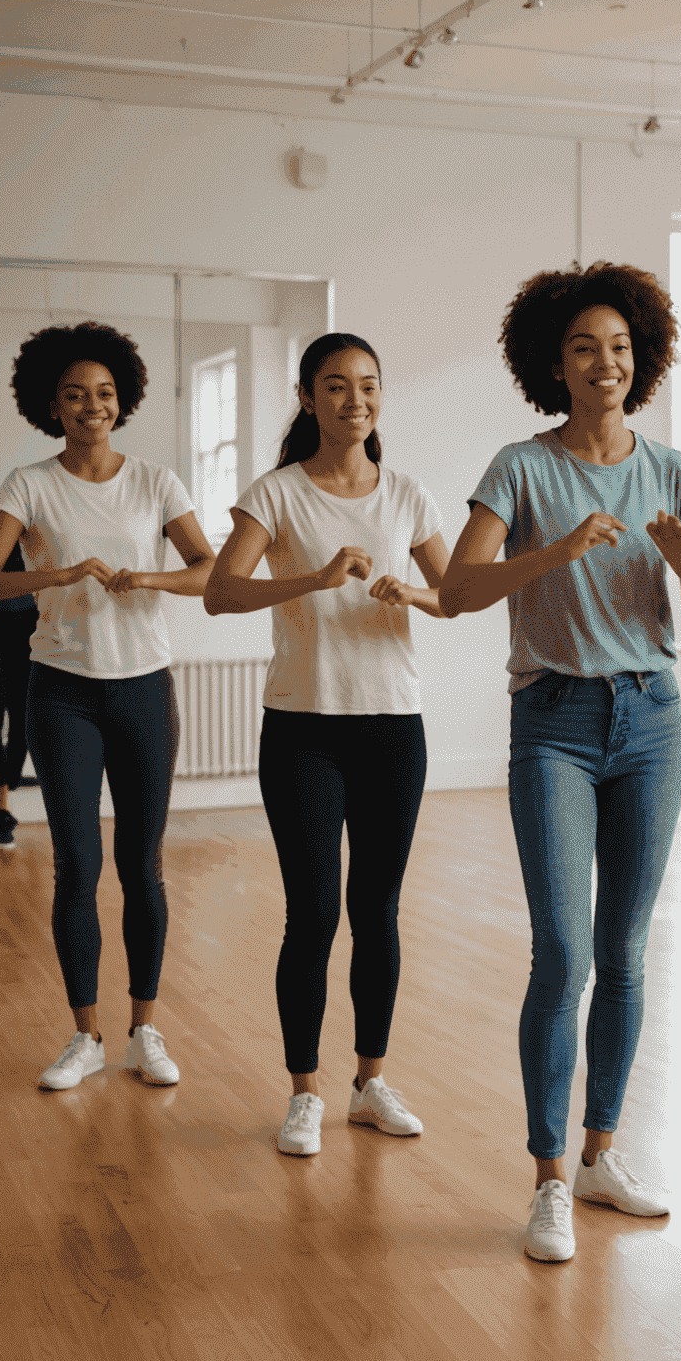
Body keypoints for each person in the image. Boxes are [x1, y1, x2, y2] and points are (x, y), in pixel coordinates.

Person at [440, 261, 681, 1262]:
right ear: (551, 365)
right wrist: (549, 555)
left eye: (620, 346)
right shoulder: (520, 467)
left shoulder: (675, 470)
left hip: (651, 719)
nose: (605, 362)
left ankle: (604, 1153)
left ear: (639, 358)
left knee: (626, 949)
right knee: (562, 949)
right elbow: (459, 591)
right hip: (553, 721)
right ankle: (550, 1177)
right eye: (583, 348)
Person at [204, 333, 449, 1157]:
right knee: (311, 913)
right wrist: (310, 578)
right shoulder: (274, 494)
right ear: (307, 397)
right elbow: (220, 593)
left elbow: (454, 594)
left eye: (369, 386)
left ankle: (370, 1082)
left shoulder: (408, 494)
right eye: (337, 386)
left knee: (376, 911)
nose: (356, 401)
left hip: (393, 726)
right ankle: (304, 1091)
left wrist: (409, 588)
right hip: (304, 728)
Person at [0, 321, 214, 1088]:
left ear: (124, 401)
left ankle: (143, 1030)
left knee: (141, 865)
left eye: (106, 393)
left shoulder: (155, 482)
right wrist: (50, 577)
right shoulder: (28, 484)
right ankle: (85, 1035)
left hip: (144, 687)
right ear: (51, 403)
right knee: (78, 864)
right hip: (61, 692)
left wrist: (148, 579)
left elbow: (209, 571)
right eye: (76, 394)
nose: (93, 405)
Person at [0, 540, 39, 849]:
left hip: (27, 631)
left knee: (25, 721)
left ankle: (11, 774)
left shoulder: (27, 544)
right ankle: (3, 814)